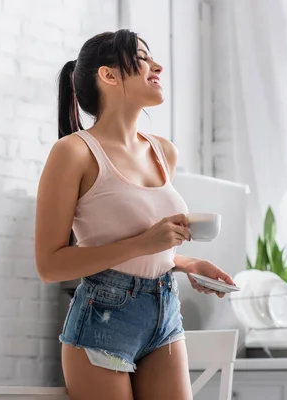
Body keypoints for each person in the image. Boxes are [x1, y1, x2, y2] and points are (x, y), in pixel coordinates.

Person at [34, 29, 236, 400]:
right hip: (102, 318)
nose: (157, 65)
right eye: (142, 58)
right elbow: (49, 265)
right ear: (108, 75)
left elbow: (145, 244)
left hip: (164, 311)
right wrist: (146, 242)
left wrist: (186, 263)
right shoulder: (74, 153)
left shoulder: (164, 152)